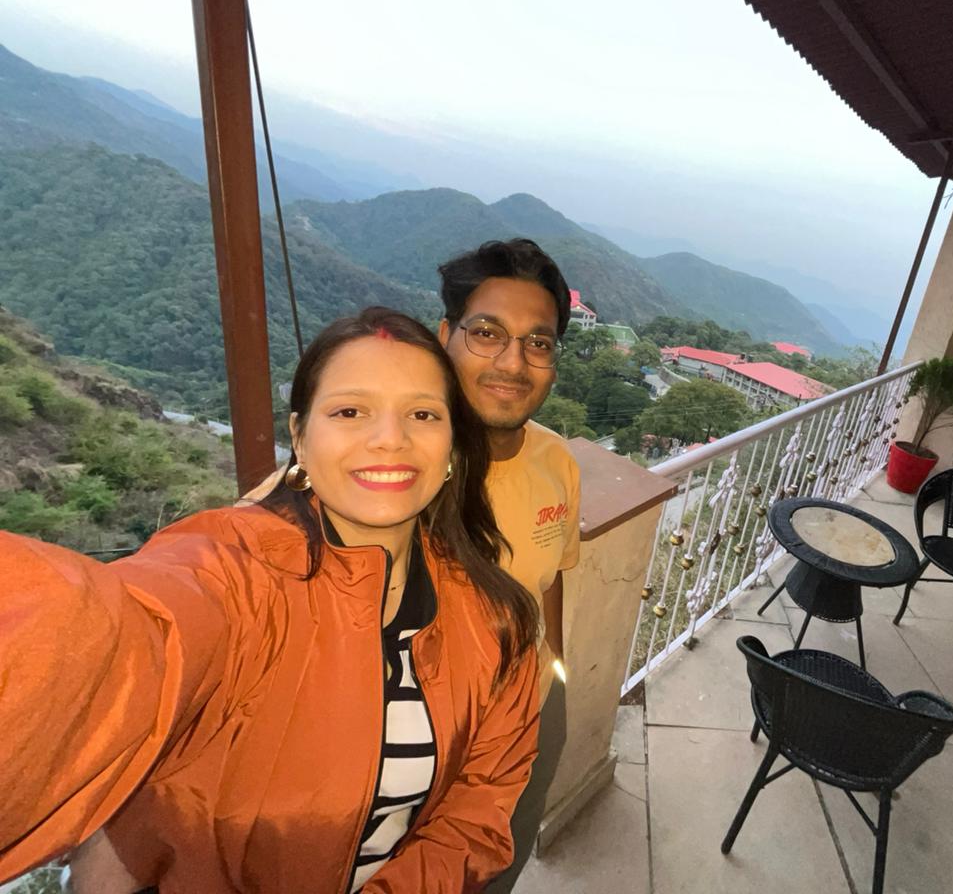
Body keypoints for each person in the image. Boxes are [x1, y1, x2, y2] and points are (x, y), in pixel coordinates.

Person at [0, 307, 542, 893]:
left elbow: (475, 816)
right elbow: (119, 634)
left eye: (422, 414)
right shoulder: (233, 568)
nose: (390, 438)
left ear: (452, 445)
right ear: (300, 437)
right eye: (350, 411)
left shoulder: (494, 619)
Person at [435, 239, 580, 893]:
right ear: (445, 336)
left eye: (537, 342)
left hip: (534, 713)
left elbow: (551, 576)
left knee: (499, 871)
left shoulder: (557, 461)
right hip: (429, 742)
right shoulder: (391, 468)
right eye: (487, 333)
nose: (513, 363)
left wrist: (557, 676)